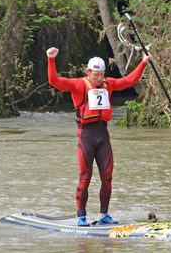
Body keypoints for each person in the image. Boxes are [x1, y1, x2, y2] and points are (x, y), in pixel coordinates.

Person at [46, 46, 151, 226]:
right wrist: (51, 59)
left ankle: (104, 215)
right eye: (95, 74)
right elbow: (54, 81)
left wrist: (143, 62)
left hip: (103, 136)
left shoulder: (108, 84)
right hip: (86, 136)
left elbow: (128, 81)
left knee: (107, 177)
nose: (99, 78)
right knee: (85, 176)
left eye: (101, 74)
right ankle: (81, 216)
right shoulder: (78, 84)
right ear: (88, 72)